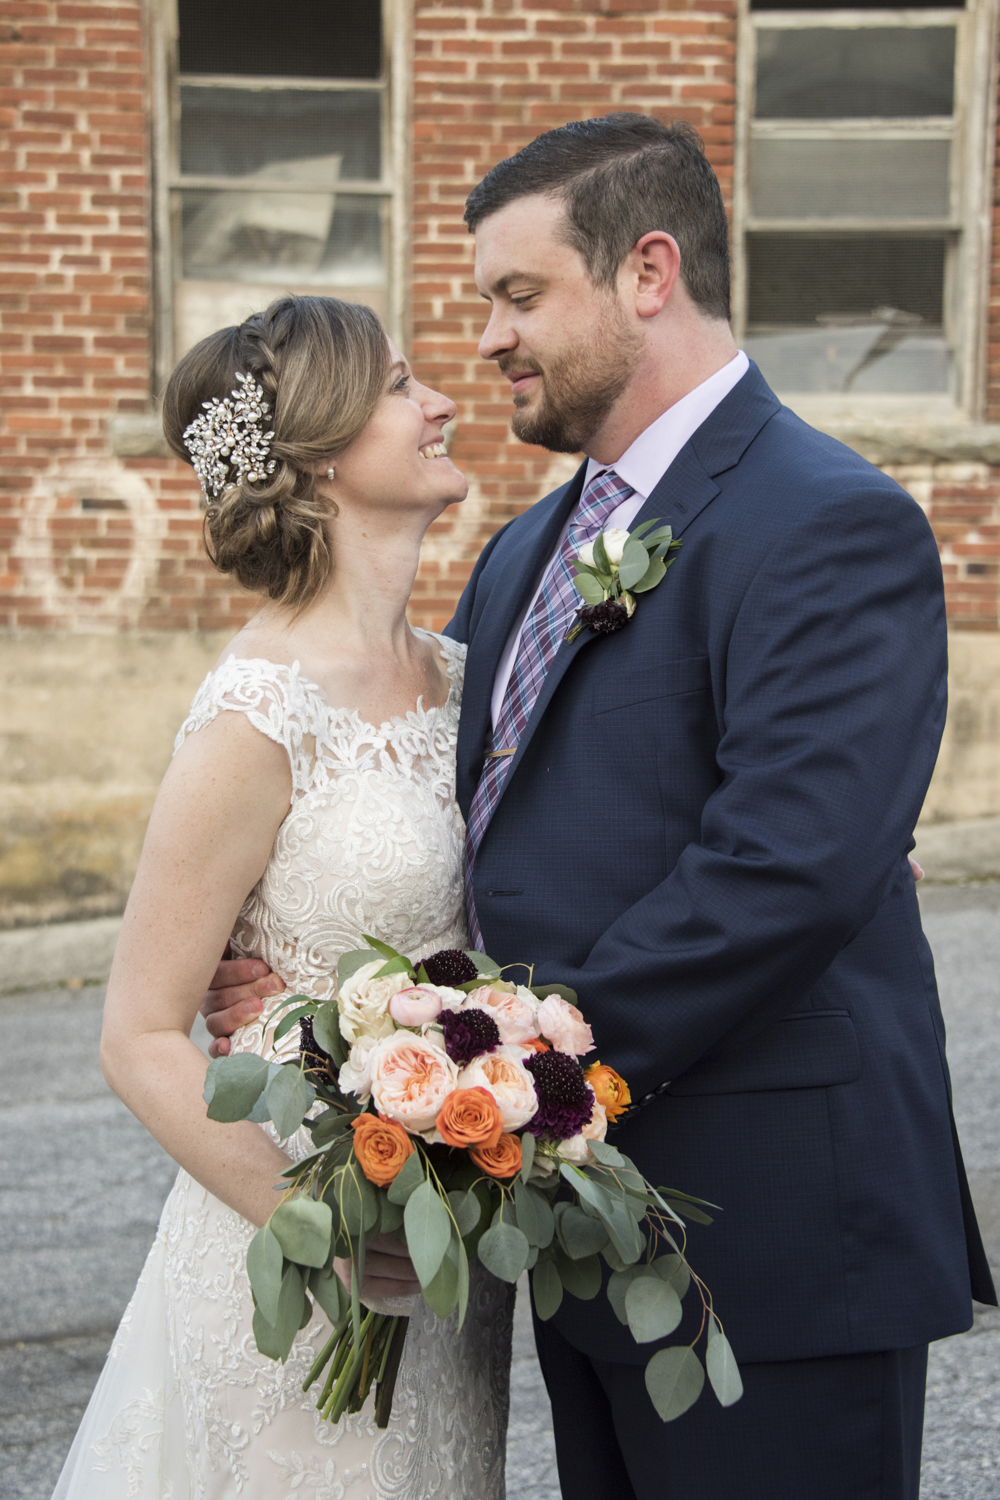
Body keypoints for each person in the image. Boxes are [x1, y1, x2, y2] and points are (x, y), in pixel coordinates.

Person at [205, 116, 996, 1500]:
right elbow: (458, 828)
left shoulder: (829, 521)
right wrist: (303, 981)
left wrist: (494, 1078)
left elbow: (785, 868)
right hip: (574, 1247)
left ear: (647, 271)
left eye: (520, 297)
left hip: (774, 1244)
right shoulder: (521, 556)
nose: (491, 342)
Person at [52, 295, 513, 1500]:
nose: (442, 403)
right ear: (319, 456)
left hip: (447, 1215)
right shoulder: (255, 714)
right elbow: (139, 1035)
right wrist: (331, 1237)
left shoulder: (464, 674)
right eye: (404, 386)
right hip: (306, 1241)